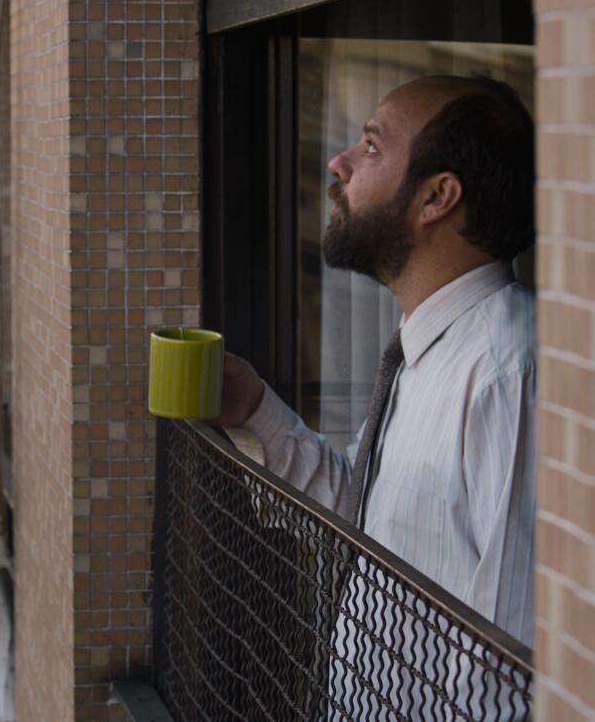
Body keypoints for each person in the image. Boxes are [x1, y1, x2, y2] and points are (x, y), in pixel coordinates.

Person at [215, 75, 536, 648]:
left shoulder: (510, 369)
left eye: (371, 147)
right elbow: (362, 517)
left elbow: (511, 661)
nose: (339, 163)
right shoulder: (429, 348)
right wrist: (253, 408)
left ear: (437, 197)